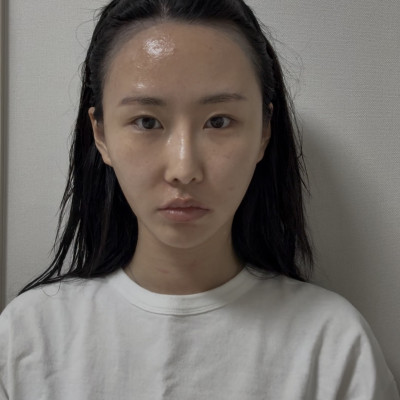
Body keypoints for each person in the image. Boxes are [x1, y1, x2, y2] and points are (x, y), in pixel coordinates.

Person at [0, 0, 399, 398]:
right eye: (146, 122)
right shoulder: (27, 341)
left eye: (218, 121)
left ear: (264, 131)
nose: (184, 168)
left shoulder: (333, 348)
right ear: (101, 134)